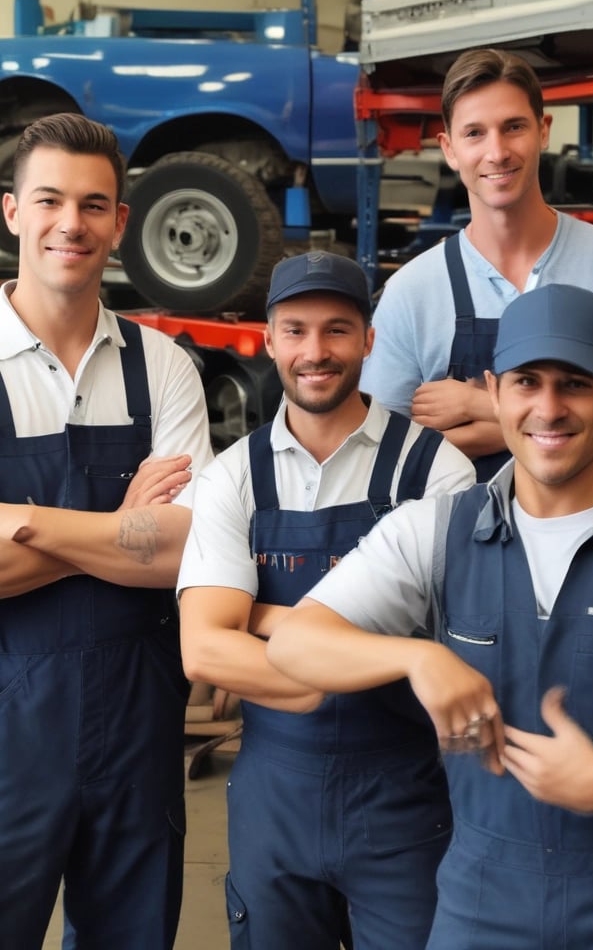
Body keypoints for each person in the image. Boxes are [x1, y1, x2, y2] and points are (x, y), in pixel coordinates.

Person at [266, 282, 593, 950]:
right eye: (527, 382)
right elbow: (296, 643)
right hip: (481, 903)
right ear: (495, 391)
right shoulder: (432, 532)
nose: (549, 409)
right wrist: (418, 656)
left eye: (576, 385)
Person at [177, 250, 475, 950]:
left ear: (369, 339)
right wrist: (352, 668)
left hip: (405, 793)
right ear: (269, 338)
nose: (317, 351)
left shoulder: (436, 470)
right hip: (274, 798)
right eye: (297, 330)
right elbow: (205, 646)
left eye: (338, 329)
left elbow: (455, 639)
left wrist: (261, 620)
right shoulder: (231, 478)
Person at [0, 112, 212, 950]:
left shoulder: (162, 365)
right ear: (12, 211)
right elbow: (146, 541)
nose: (71, 224)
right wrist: (120, 528)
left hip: (137, 730)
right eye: (49, 199)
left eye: (94, 204)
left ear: (122, 222)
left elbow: (186, 546)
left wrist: (27, 527)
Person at [361, 47, 593, 479]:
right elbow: (379, 449)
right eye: (475, 133)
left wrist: (482, 415)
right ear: (449, 149)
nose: (497, 152)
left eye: (513, 127)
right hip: (453, 540)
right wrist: (555, 427)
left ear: (543, 131)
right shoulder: (413, 292)